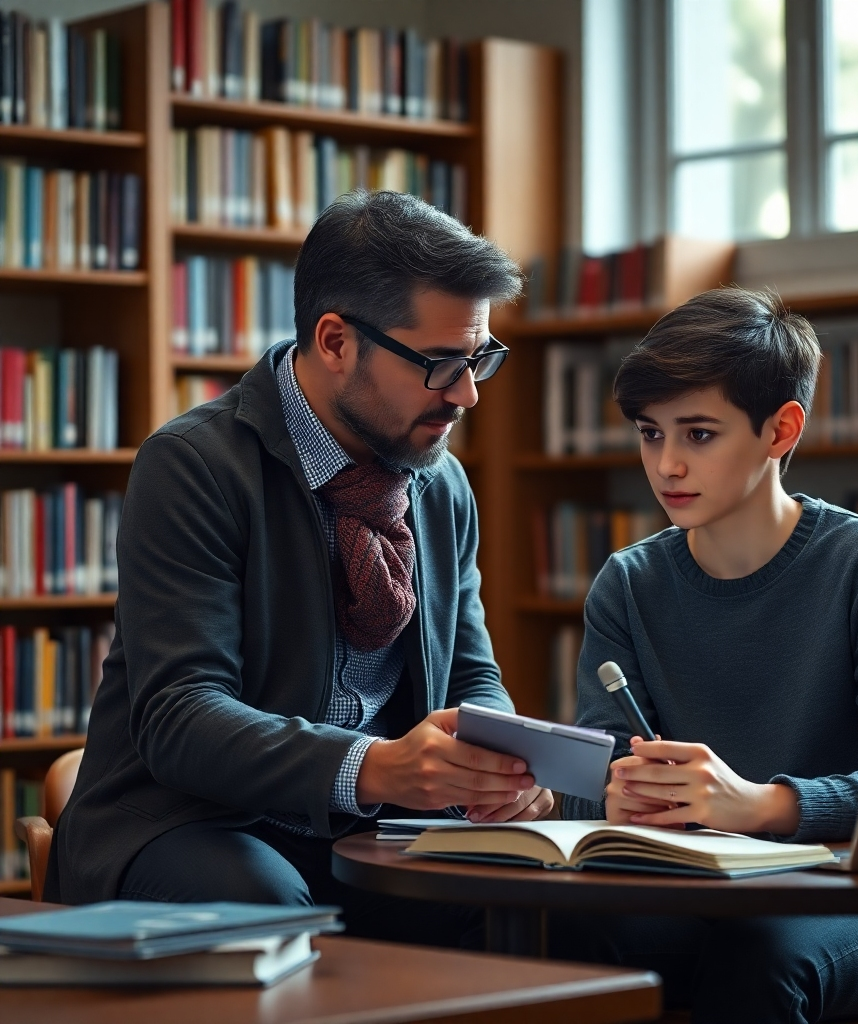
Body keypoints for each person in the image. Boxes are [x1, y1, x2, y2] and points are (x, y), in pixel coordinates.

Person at [47, 190, 553, 945]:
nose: (468, 395)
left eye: (479, 359)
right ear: (336, 340)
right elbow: (180, 718)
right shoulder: (194, 466)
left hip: (367, 828)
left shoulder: (439, 482)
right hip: (188, 820)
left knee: (526, 903)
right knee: (275, 909)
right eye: (441, 364)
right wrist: (373, 767)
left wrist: (500, 765)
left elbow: (469, 677)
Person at [554, 289, 858, 1023]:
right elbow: (594, 779)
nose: (668, 464)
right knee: (566, 934)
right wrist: (615, 794)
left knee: (759, 962)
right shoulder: (629, 581)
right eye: (652, 434)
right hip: (704, 896)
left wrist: (762, 805)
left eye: (700, 434)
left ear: (782, 430)